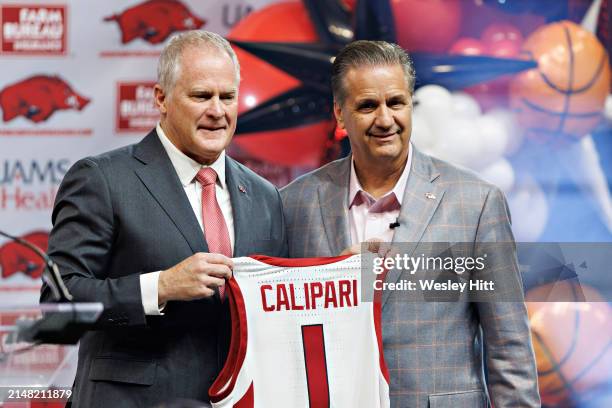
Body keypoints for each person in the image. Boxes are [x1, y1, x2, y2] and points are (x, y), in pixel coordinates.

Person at [280, 40, 540, 408]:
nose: (385, 119)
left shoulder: (476, 203)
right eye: (367, 105)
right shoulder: (295, 203)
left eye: (396, 103)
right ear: (339, 115)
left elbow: (509, 349)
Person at [40, 30, 287, 408]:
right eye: (202, 96)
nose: (217, 111)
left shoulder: (265, 195)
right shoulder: (102, 178)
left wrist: (348, 273)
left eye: (228, 97)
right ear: (161, 99)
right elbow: (59, 303)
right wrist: (160, 287)